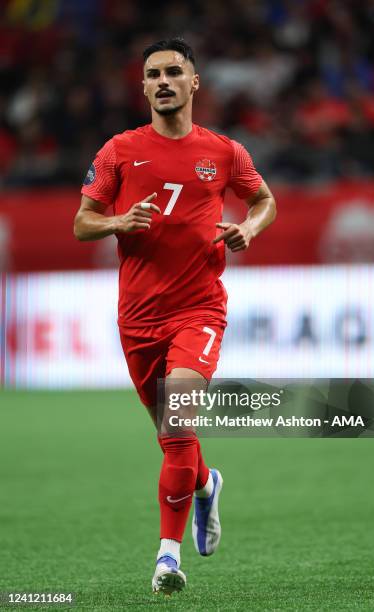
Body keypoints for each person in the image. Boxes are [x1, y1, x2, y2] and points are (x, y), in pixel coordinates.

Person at [74, 38, 276, 596]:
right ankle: (207, 484)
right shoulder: (118, 150)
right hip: (137, 318)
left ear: (194, 84)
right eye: (153, 74)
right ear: (142, 87)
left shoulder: (225, 152)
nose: (163, 81)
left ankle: (167, 557)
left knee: (178, 418)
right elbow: (82, 223)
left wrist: (248, 229)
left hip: (200, 308)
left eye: (173, 72)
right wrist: (117, 222)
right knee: (174, 439)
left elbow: (264, 201)